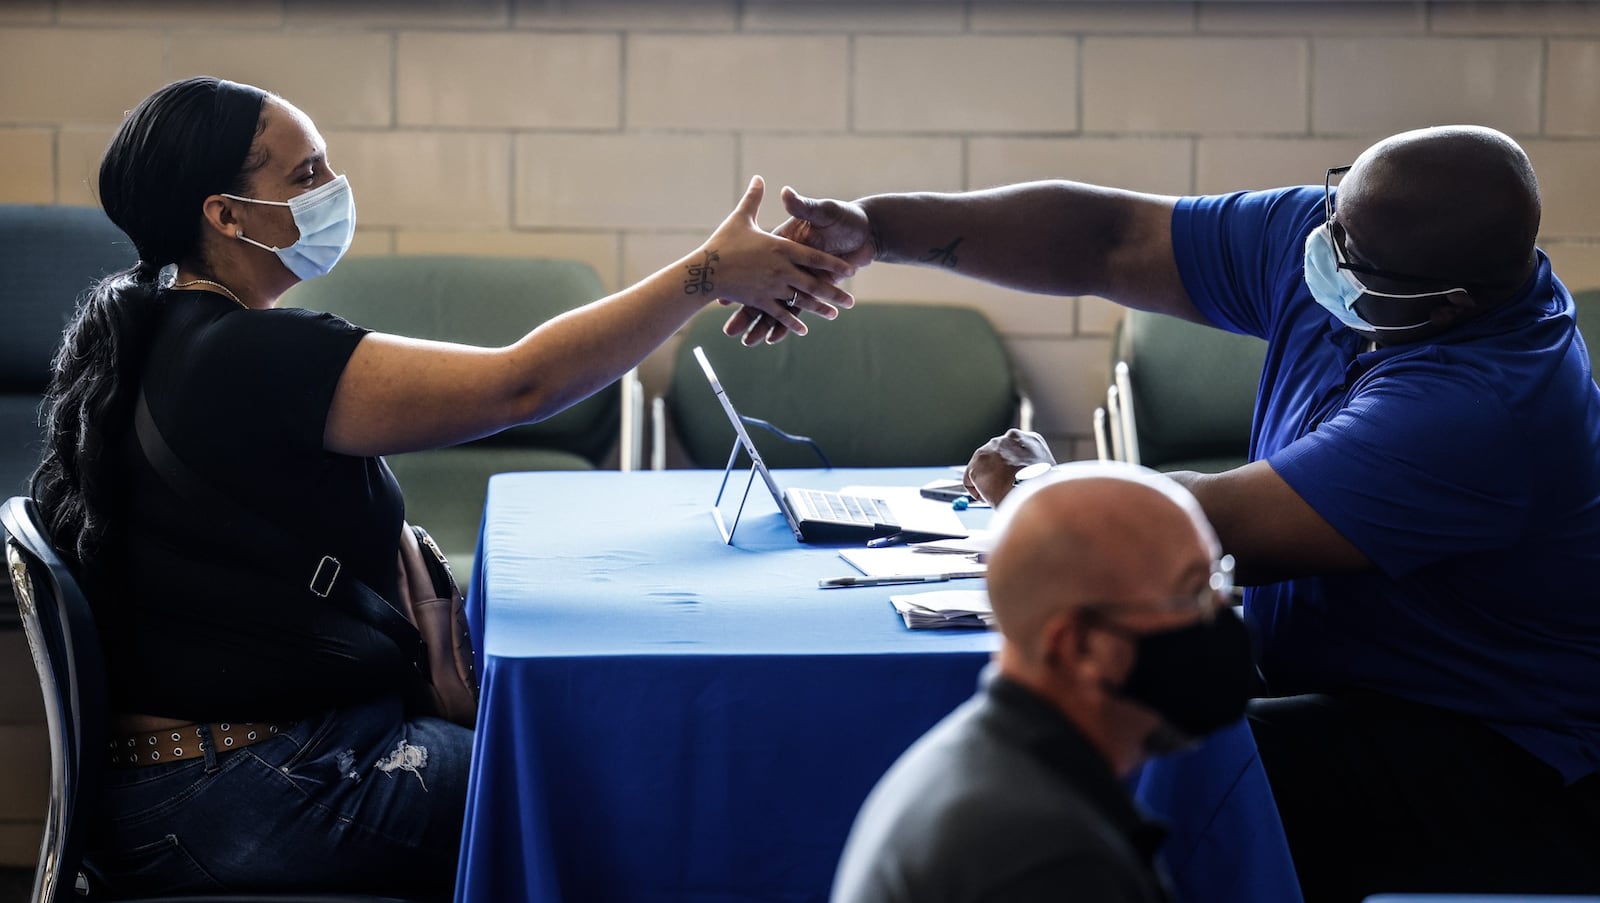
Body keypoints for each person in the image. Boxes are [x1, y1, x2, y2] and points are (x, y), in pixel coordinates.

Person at [30, 76, 854, 898]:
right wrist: (705, 275)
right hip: (249, 787)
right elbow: (520, 386)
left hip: (203, 773)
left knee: (569, 763)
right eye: (305, 176)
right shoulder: (248, 358)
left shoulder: (157, 332)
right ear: (227, 214)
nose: (331, 191)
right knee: (598, 787)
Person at [732, 125, 1600, 901]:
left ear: (1443, 303)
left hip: (1489, 740)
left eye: (1349, 255)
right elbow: (1110, 237)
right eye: (1333, 217)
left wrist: (1033, 488)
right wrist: (878, 227)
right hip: (1329, 668)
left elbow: (1185, 538)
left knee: (1183, 772)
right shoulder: (1354, 239)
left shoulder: (1490, 407)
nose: (1319, 252)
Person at [830, 462, 1255, 903]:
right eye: (1195, 594)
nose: (1222, 615)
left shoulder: (987, 765)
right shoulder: (1046, 862)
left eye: (1218, 583)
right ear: (1081, 647)